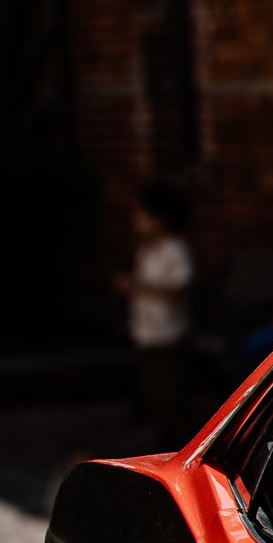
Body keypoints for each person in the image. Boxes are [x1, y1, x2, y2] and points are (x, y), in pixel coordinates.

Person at [117, 181, 196, 446]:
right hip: (146, 332)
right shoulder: (146, 249)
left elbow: (180, 287)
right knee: (155, 398)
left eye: (142, 215)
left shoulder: (174, 249)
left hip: (168, 334)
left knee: (172, 399)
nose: (137, 221)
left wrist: (139, 286)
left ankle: (179, 447)